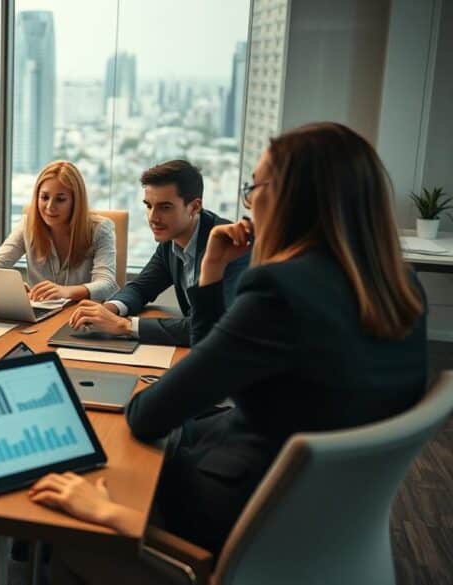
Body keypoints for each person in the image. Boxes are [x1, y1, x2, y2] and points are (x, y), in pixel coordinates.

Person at [29, 122, 428, 584]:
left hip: (234, 518)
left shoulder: (280, 290)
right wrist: (212, 268)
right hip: (324, 520)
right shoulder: (401, 287)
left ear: (290, 197)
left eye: (252, 187)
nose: (248, 202)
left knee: (73, 504)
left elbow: (147, 414)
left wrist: (108, 509)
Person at [68, 160, 249, 347]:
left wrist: (125, 325)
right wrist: (107, 310)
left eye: (165, 207)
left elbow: (215, 326)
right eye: (148, 206)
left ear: (194, 207)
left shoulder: (228, 247)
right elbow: (140, 288)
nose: (153, 217)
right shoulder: (171, 241)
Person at [0, 160, 118, 302]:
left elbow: (107, 286)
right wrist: (9, 286)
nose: (50, 207)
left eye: (60, 199)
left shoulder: (100, 229)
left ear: (75, 201)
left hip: (83, 316)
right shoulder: (27, 225)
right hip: (42, 316)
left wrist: (66, 292)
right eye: (44, 197)